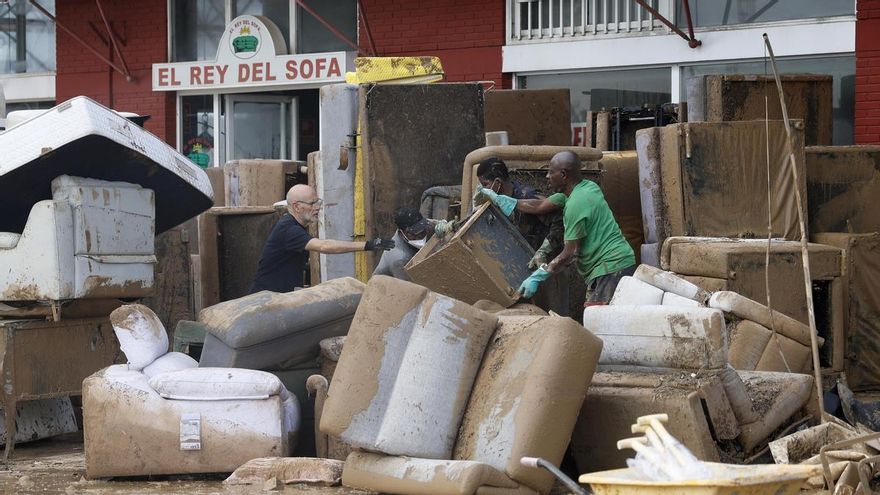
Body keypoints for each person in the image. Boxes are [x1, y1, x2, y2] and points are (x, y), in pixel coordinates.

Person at [478, 151, 635, 305]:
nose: (547, 176)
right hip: (613, 264)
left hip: (611, 267)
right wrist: (502, 200)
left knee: (598, 322)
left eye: (550, 172)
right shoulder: (583, 188)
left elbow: (571, 252)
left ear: (564, 175)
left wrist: (539, 274)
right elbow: (539, 206)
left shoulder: (576, 204)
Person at [251, 184, 394, 293]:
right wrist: (368, 245)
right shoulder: (289, 229)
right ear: (297, 207)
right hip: (267, 301)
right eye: (312, 203)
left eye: (318, 202)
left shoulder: (295, 225)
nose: (318, 207)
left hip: (279, 297)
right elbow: (323, 246)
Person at [372, 207, 433, 281]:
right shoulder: (399, 258)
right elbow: (411, 288)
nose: (420, 235)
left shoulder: (424, 224)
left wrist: (446, 226)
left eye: (422, 230)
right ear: (402, 233)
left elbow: (433, 223)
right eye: (414, 233)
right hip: (386, 288)